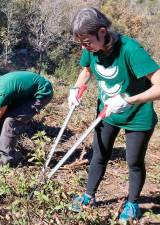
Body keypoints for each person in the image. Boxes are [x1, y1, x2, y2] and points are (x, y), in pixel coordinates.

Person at [68, 7, 160, 222]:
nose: (84, 48)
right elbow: (87, 70)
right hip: (107, 111)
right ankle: (88, 196)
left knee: (134, 161)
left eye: (87, 42)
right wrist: (76, 89)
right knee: (98, 155)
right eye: (81, 44)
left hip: (138, 115)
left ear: (102, 31)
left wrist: (128, 99)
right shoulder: (90, 47)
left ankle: (133, 203)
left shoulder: (130, 49)